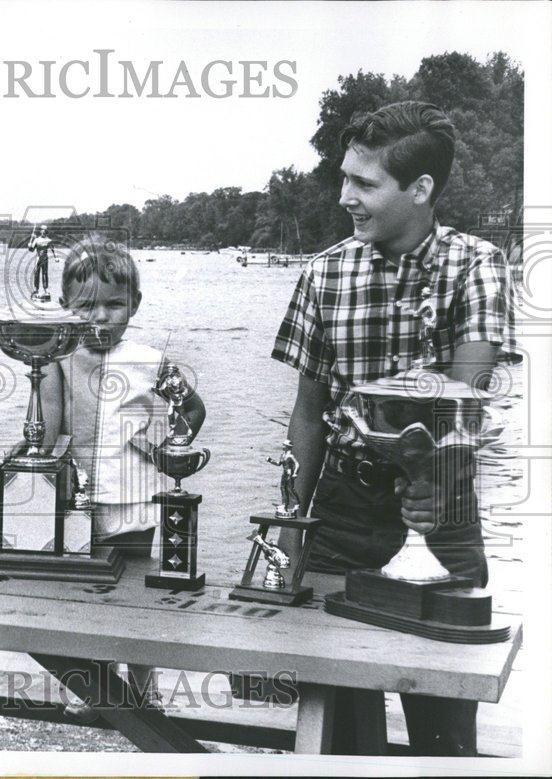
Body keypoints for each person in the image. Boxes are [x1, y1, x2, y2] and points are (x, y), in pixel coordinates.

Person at [271, 101, 516, 756]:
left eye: (365, 183)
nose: (345, 196)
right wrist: (292, 527)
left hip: (444, 509)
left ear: (421, 189)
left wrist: (435, 481)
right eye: (344, 177)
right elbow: (307, 411)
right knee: (338, 729)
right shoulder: (323, 272)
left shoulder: (478, 265)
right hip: (343, 516)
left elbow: (465, 398)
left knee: (444, 730)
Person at [40, 238, 206, 715]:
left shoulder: (152, 360)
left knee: (138, 597)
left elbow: (192, 407)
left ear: (135, 304)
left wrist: (169, 446)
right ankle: (96, 687)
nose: (101, 317)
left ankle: (145, 685)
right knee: (85, 592)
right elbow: (47, 431)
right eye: (87, 305)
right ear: (65, 306)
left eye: (115, 304)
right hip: (79, 497)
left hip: (138, 495)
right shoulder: (55, 359)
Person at [28, 224, 56, 299]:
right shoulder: (36, 239)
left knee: (45, 273)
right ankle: (36, 289)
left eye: (44, 230)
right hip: (38, 258)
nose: (43, 231)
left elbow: (53, 249)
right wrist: (29, 245)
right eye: (42, 230)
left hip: (45, 258)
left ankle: (45, 289)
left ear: (46, 231)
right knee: (36, 273)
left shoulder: (49, 240)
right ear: (40, 231)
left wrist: (55, 257)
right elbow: (31, 250)